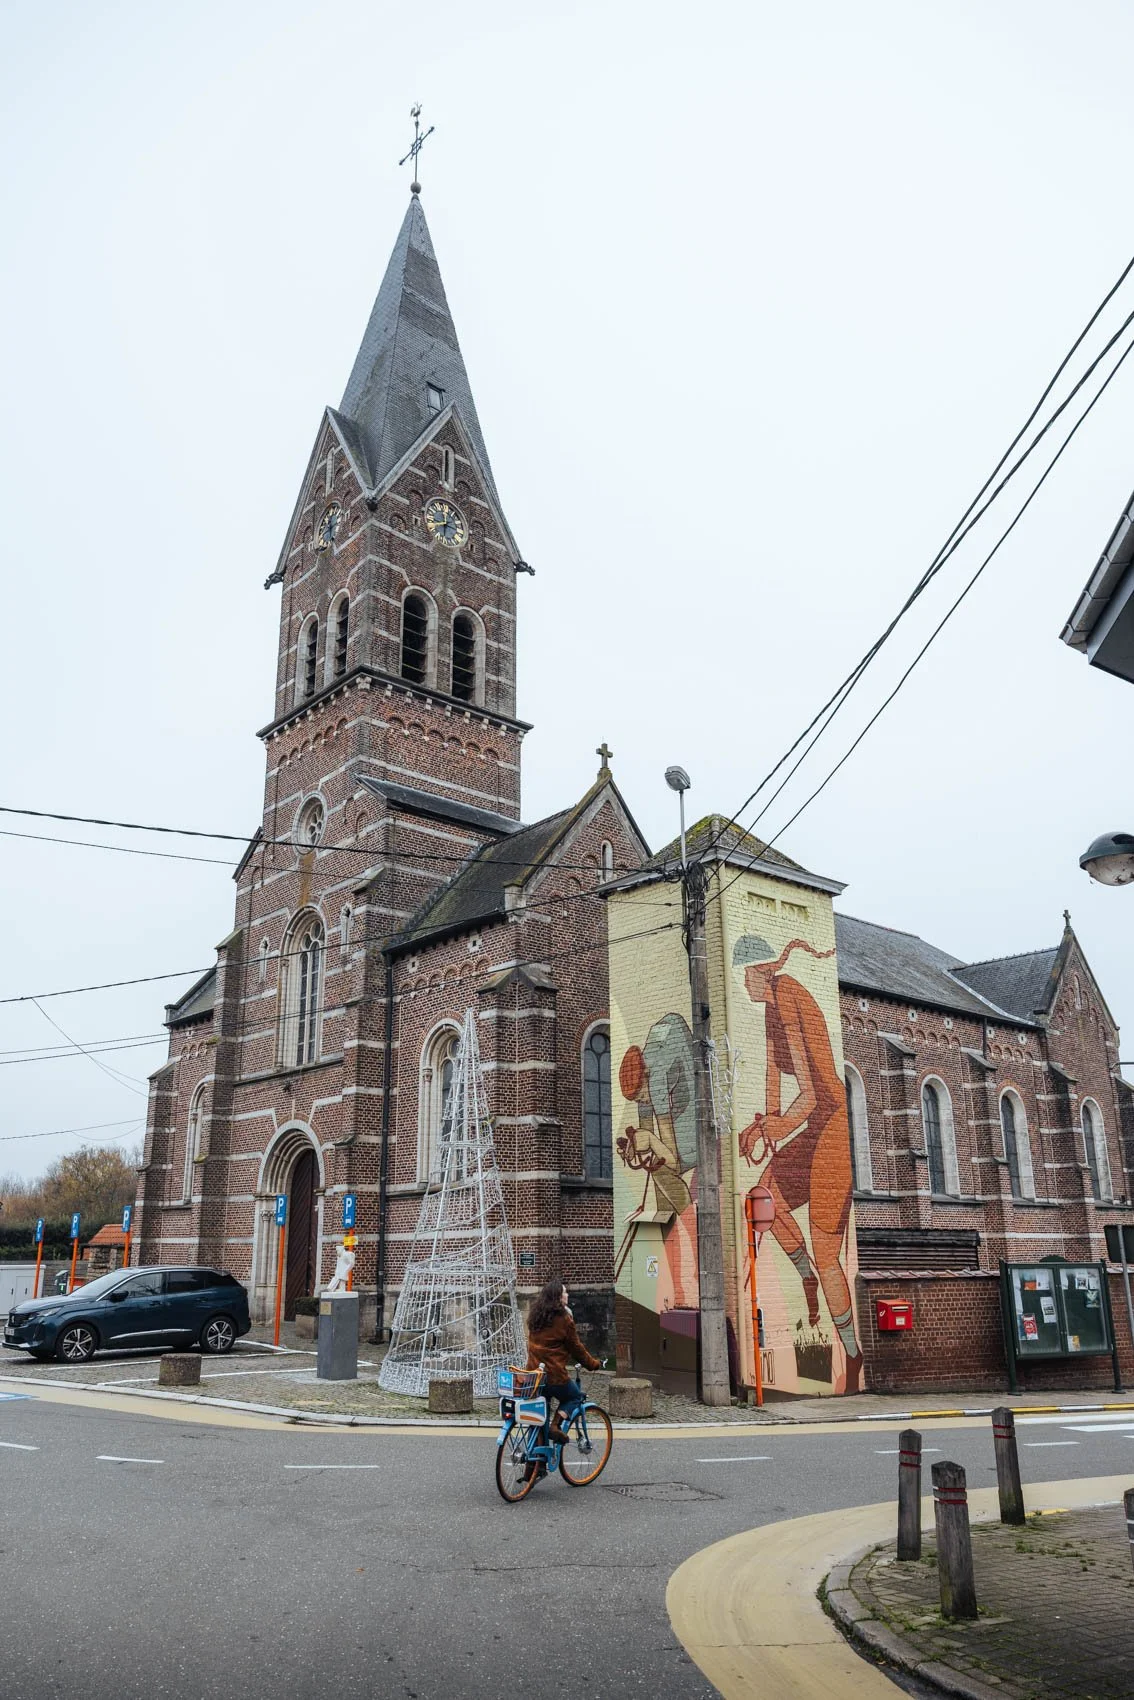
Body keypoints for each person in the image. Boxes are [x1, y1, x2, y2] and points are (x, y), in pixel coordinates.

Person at [733, 933, 864, 1394]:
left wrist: (780, 1126)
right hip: (813, 1126)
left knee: (829, 1253)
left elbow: (809, 1093)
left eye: (744, 975)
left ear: (760, 971)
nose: (742, 984)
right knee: (763, 1197)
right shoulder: (770, 1008)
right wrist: (764, 1124)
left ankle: (852, 1352)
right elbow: (773, 1073)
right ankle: (806, 1277)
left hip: (832, 1126)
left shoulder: (787, 996)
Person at [525, 1278, 602, 1445]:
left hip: (534, 1375)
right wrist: (593, 1364)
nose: (567, 1295)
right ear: (558, 1297)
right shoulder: (564, 1319)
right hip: (553, 1375)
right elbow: (576, 1348)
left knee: (539, 1416)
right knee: (575, 1397)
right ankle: (556, 1425)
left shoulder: (536, 1316)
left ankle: (535, 1459)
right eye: (565, 1292)